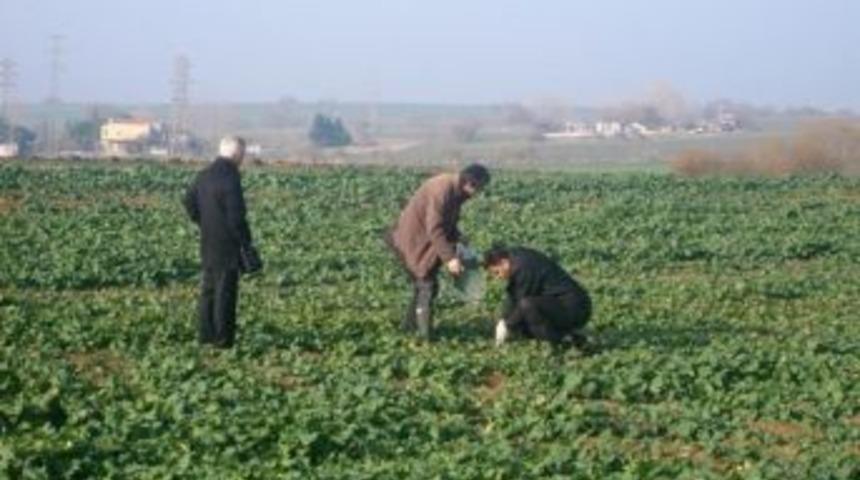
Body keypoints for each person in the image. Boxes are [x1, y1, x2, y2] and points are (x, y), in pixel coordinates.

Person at [385, 164, 491, 340]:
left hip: (424, 243)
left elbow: (447, 222)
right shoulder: (441, 189)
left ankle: (410, 328)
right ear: (468, 182)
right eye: (477, 188)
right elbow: (435, 228)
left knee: (424, 286)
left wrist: (458, 236)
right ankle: (424, 337)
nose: (477, 193)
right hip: (411, 242)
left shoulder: (456, 192)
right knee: (427, 286)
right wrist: (450, 259)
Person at [183, 136, 262, 348]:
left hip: (208, 240)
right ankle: (222, 339)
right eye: (242, 154)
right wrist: (246, 242)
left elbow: (188, 201)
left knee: (208, 290)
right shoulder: (231, 178)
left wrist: (202, 221)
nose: (243, 159)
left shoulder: (204, 175)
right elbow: (236, 217)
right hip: (228, 244)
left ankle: (205, 335)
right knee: (225, 292)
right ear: (236, 154)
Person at [483, 246, 591, 348]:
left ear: (503, 262)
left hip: (573, 308)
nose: (497, 277)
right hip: (558, 303)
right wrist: (503, 319)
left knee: (527, 307)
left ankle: (559, 343)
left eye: (497, 272)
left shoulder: (524, 268)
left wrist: (507, 325)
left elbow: (520, 303)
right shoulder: (515, 259)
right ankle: (568, 336)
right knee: (522, 317)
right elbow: (513, 295)